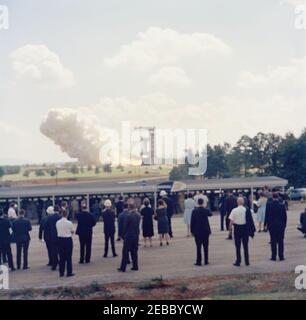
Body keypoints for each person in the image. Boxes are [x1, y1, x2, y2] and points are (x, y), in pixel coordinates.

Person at [229, 197, 255, 267]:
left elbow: (231, 222)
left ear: (237, 202)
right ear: (243, 202)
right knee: (245, 246)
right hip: (245, 229)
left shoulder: (234, 210)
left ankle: (238, 261)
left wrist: (230, 231)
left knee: (238, 246)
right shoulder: (247, 210)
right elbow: (250, 219)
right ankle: (247, 261)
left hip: (237, 228)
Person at [118, 198, 141, 272]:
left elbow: (124, 227)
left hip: (128, 235)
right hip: (136, 235)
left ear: (128, 207)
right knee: (134, 252)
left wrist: (122, 235)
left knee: (125, 252)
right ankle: (135, 266)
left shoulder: (128, 216)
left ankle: (123, 267)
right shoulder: (138, 215)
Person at [265, 192, 287, 261]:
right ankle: (281, 256)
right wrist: (284, 226)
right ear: (278, 197)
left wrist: (266, 225)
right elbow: (285, 217)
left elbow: (267, 216)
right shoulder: (282, 206)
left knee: (273, 241)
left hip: (272, 226)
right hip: (280, 226)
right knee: (281, 241)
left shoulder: (269, 205)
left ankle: (273, 256)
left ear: (272, 197)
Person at [191, 198, 212, 266]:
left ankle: (198, 261)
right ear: (203, 203)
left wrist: (192, 231)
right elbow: (210, 214)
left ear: (197, 203)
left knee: (198, 247)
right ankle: (206, 261)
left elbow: (192, 221)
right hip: (205, 231)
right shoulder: (206, 210)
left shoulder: (194, 211)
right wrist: (206, 207)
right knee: (206, 246)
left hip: (197, 231)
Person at [56, 209, 74, 277]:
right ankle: (69, 272)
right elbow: (72, 231)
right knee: (68, 257)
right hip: (68, 239)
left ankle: (61, 272)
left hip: (60, 240)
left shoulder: (57, 222)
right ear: (67, 214)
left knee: (61, 257)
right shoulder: (69, 223)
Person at [44, 205, 61, 270]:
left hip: (52, 236)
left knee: (53, 251)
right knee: (61, 251)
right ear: (59, 210)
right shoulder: (61, 217)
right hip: (60, 236)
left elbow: (46, 227)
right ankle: (61, 263)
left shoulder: (50, 218)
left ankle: (54, 265)